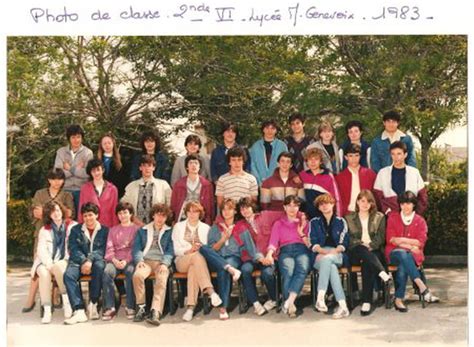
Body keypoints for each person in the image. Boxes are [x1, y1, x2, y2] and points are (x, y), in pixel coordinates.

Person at [23, 168, 74, 313]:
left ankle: (53, 297)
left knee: (56, 265)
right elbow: (36, 213)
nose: (57, 182)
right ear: (49, 180)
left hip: (60, 236)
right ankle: (31, 298)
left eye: (60, 179)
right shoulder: (40, 193)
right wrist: (56, 211)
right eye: (53, 179)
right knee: (39, 266)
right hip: (42, 235)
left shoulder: (67, 195)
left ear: (63, 181)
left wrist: (47, 210)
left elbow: (69, 214)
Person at [385, 191, 439, 312]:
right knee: (403, 254)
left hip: (412, 255)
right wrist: (409, 245)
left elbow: (420, 242)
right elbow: (391, 239)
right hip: (394, 253)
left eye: (409, 203)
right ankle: (421, 286)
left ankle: (398, 299)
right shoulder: (393, 217)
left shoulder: (420, 221)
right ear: (399, 205)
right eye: (403, 203)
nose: (405, 206)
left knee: (404, 264)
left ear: (414, 204)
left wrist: (402, 240)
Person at [171, 201, 223, 322]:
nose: (192, 214)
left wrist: (197, 250)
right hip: (182, 260)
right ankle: (211, 291)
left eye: (195, 211)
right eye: (189, 211)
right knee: (195, 257)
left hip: (199, 263)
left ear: (200, 213)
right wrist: (189, 250)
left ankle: (190, 307)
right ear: (186, 213)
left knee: (194, 267)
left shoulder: (206, 228)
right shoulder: (178, 227)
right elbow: (175, 249)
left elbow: (208, 249)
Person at [344, 190, 391, 316]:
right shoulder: (349, 218)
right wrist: (362, 243)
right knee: (361, 249)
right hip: (356, 250)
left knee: (367, 263)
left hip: (374, 251)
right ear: (358, 202)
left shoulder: (379, 217)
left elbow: (381, 237)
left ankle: (366, 302)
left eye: (369, 201)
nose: (365, 204)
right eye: (363, 201)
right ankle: (382, 272)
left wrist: (371, 245)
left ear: (372, 203)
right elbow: (348, 238)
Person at [263, 195, 310, 318]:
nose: (292, 208)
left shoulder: (305, 222)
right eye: (289, 205)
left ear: (299, 207)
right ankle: (291, 304)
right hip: (286, 250)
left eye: (295, 205)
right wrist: (269, 255)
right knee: (288, 271)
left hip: (302, 249)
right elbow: (273, 242)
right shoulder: (278, 223)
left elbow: (310, 244)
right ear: (284, 207)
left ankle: (289, 301)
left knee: (303, 268)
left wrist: (301, 232)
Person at [233, 198, 281, 316]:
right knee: (245, 270)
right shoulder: (239, 226)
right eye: (242, 209)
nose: (245, 211)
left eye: (247, 207)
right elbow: (244, 247)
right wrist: (260, 258)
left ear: (253, 207)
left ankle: (275, 298)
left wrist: (301, 215)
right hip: (250, 257)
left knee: (268, 274)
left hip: (269, 255)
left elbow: (286, 213)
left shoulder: (266, 215)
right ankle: (256, 303)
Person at [30, 201, 77, 323]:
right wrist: (48, 264)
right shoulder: (44, 230)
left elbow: (73, 247)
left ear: (62, 211)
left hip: (64, 259)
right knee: (44, 274)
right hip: (44, 261)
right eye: (52, 212)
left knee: (58, 267)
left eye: (57, 210)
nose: (55, 214)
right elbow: (41, 250)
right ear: (48, 215)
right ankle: (47, 310)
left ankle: (66, 302)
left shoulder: (72, 226)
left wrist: (55, 264)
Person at [64, 202, 108, 324]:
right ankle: (78, 310)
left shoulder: (104, 230)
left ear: (97, 215)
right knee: (68, 275)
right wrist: (84, 260)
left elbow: (102, 250)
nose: (88, 218)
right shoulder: (75, 230)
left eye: (90, 215)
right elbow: (73, 248)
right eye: (85, 216)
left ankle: (93, 303)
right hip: (78, 261)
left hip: (95, 261)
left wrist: (89, 260)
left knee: (99, 267)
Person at [199, 199, 244, 320]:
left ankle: (223, 307)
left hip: (233, 258)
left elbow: (243, 248)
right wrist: (223, 239)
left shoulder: (241, 226)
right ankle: (230, 269)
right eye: (223, 209)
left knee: (223, 269)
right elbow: (212, 249)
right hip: (217, 257)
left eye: (229, 209)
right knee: (203, 248)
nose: (226, 212)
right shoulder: (215, 227)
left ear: (235, 211)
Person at [309, 193, 350, 319]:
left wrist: (332, 252)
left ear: (333, 204)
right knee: (330, 267)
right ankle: (343, 306)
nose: (325, 206)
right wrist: (322, 251)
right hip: (319, 255)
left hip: (337, 253)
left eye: (327, 203)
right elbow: (313, 241)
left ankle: (320, 297)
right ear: (319, 208)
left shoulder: (341, 221)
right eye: (321, 204)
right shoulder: (314, 222)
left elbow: (344, 242)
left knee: (328, 261)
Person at [132, 204, 174, 326]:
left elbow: (170, 251)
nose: (160, 218)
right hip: (146, 261)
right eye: (158, 215)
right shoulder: (143, 230)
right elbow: (137, 249)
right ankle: (141, 307)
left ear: (166, 218)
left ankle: (156, 311)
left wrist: (165, 263)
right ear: (153, 215)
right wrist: (139, 261)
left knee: (161, 278)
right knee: (137, 276)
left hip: (161, 262)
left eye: (163, 216)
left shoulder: (169, 231)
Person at [102, 202, 140, 321]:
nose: (122, 215)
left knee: (130, 272)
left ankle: (130, 306)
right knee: (107, 272)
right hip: (114, 259)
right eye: (120, 213)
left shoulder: (136, 229)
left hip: (129, 259)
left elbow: (135, 247)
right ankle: (110, 306)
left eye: (125, 212)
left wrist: (126, 260)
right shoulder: (113, 230)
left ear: (131, 214)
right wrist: (113, 259)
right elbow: (109, 247)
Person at [373, 141, 428, 215]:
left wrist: (415, 214)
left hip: (411, 217)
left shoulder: (414, 173)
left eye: (399, 154)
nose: (396, 157)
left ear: (405, 155)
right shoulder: (382, 173)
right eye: (393, 154)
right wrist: (387, 211)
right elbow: (377, 197)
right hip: (390, 217)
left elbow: (422, 197)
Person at [122, 155, 172, 226]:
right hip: (136, 227)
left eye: (149, 165)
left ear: (153, 168)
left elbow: (170, 206)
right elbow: (124, 206)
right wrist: (134, 219)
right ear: (140, 168)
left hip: (158, 226)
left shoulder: (163, 185)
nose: (147, 168)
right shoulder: (131, 186)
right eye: (144, 166)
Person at [54, 124, 93, 212]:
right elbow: (58, 173)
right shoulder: (61, 152)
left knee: (80, 217)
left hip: (81, 190)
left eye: (78, 137)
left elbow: (87, 173)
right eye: (73, 137)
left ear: (82, 138)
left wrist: (70, 168)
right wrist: (77, 169)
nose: (76, 140)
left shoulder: (88, 153)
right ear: (69, 139)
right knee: (65, 217)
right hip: (64, 189)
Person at [170, 154, 215, 225]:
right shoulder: (178, 185)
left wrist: (210, 221)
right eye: (190, 163)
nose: (193, 165)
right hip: (183, 219)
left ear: (200, 167)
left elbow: (211, 206)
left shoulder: (207, 185)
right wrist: (173, 220)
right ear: (186, 167)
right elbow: (173, 205)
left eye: (196, 163)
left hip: (201, 220)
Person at [299, 147, 342, 219]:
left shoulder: (328, 176)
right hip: (306, 217)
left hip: (324, 216)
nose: (313, 162)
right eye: (310, 160)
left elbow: (336, 198)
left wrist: (338, 217)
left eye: (316, 159)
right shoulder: (302, 175)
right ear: (306, 162)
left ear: (321, 161)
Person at [335, 143, 377, 216]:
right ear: (346, 157)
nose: (354, 159)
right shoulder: (339, 177)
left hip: (368, 212)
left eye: (356, 155)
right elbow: (338, 199)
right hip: (348, 213)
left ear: (360, 156)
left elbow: (376, 195)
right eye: (350, 156)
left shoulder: (370, 174)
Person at [78, 158, 119, 228]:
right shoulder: (85, 188)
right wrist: (80, 227)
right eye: (93, 171)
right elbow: (81, 209)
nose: (96, 173)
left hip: (107, 226)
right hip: (90, 226)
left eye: (98, 170)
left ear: (103, 170)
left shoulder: (112, 189)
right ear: (90, 173)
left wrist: (115, 229)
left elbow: (114, 211)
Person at [249, 119, 288, 186]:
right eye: (267, 128)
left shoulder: (282, 146)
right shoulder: (255, 147)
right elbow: (252, 165)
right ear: (263, 129)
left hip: (278, 184)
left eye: (272, 128)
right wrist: (259, 181)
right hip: (259, 184)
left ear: (276, 130)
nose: (269, 131)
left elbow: (286, 164)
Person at [97, 133, 128, 198]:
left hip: (116, 194)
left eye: (109, 143)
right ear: (101, 145)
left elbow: (125, 179)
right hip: (100, 194)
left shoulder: (122, 160)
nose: (107, 145)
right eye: (104, 143)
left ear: (113, 144)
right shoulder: (96, 160)